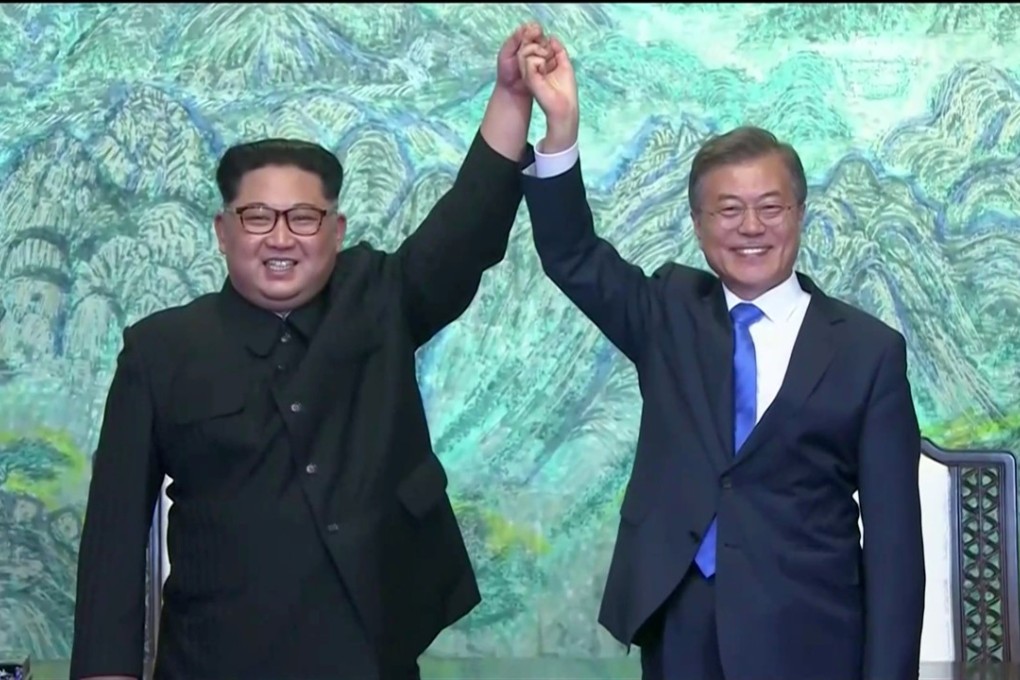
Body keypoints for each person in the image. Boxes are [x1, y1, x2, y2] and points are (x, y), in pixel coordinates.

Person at [69, 22, 559, 680]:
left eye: (303, 217)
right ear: (222, 231)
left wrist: (511, 98)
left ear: (335, 230)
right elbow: (113, 541)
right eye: (256, 216)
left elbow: (466, 227)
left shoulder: (379, 299)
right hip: (211, 661)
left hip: (365, 659)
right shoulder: (158, 351)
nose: (281, 237)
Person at [516, 34, 926, 680]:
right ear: (700, 225)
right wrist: (561, 129)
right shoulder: (670, 312)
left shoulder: (868, 352)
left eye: (770, 207)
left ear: (799, 216)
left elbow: (897, 549)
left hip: (812, 636)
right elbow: (573, 255)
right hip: (680, 628)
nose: (751, 227)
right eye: (728, 210)